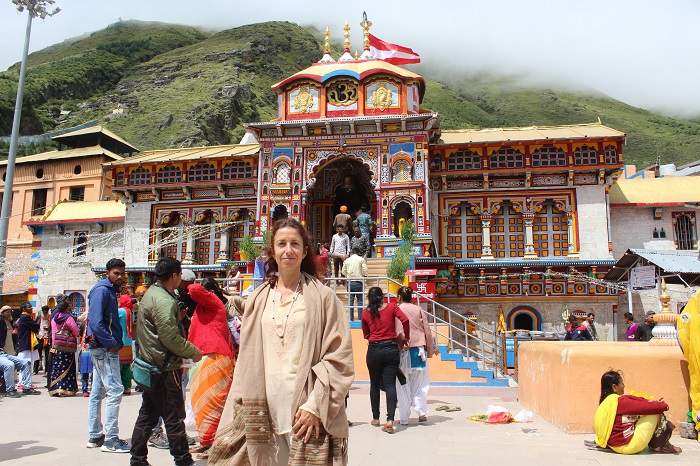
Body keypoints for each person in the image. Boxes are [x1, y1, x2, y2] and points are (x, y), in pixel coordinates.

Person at [208, 218, 354, 466]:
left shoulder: (324, 298)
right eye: (282, 244)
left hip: (305, 412)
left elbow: (339, 357)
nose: (288, 250)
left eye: (295, 244)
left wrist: (314, 406)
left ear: (305, 251)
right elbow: (247, 359)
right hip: (263, 411)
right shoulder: (259, 298)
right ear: (272, 251)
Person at [130, 257, 202, 466]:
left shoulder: (153, 293)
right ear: (174, 276)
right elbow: (169, 337)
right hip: (163, 367)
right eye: (180, 275)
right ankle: (183, 459)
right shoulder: (163, 300)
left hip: (150, 363)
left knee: (148, 415)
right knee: (173, 417)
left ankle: (138, 459)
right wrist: (193, 351)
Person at [187, 277, 235, 458]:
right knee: (201, 405)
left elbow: (193, 290)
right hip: (204, 357)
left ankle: (213, 444)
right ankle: (206, 442)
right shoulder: (203, 308)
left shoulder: (215, 303)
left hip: (215, 357)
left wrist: (188, 280)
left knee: (212, 405)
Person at [86, 258, 128, 453]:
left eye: (122, 273)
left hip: (103, 346)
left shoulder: (109, 290)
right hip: (104, 347)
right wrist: (111, 343)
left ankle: (95, 435)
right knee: (115, 390)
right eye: (116, 273)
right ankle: (111, 439)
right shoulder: (102, 290)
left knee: (97, 392)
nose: (119, 276)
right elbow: (96, 322)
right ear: (108, 273)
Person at [593, 370, 681, 454]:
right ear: (614, 387)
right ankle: (661, 445)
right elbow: (652, 407)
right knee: (655, 412)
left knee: (640, 414)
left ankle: (658, 444)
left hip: (613, 446)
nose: (624, 386)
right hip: (627, 446)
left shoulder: (605, 403)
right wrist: (663, 405)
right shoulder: (619, 401)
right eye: (622, 383)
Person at [361, 286, 410, 434]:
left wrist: (373, 336)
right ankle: (390, 420)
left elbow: (365, 334)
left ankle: (376, 418)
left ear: (369, 298)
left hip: (374, 350)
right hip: (391, 349)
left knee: (374, 384)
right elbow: (405, 320)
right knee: (390, 385)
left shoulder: (365, 313)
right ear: (382, 297)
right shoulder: (392, 307)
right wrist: (406, 337)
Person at [395, 287, 438, 425]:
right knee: (420, 384)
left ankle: (404, 418)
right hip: (418, 351)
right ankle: (421, 413)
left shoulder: (397, 310)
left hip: (403, 350)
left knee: (403, 386)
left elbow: (395, 331)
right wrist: (431, 349)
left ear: (399, 297)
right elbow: (427, 331)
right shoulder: (418, 309)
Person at [0, 305, 34, 397]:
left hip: (4, 351)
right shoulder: (1, 321)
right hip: (3, 350)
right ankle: (9, 390)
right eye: (6, 311)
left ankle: (27, 388)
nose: (9, 313)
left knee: (26, 363)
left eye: (9, 311)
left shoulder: (10, 321)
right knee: (9, 365)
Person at [48, 299, 79, 397]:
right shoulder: (69, 318)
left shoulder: (54, 318)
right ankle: (66, 388)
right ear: (66, 309)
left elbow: (53, 333)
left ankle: (55, 389)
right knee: (67, 368)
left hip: (56, 345)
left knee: (57, 367)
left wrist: (53, 345)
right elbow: (76, 332)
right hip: (67, 347)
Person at [15, 302, 40, 385]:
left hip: (26, 344)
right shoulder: (25, 317)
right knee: (26, 364)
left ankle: (25, 383)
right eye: (29, 307)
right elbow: (36, 327)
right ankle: (24, 384)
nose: (31, 308)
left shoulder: (24, 317)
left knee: (27, 365)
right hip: (26, 344)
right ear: (24, 309)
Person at [342, 244, 368, 321]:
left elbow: (343, 272)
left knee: (350, 302)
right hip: (359, 282)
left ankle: (351, 319)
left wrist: (348, 276)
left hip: (350, 283)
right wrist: (364, 276)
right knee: (360, 301)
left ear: (352, 252)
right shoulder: (361, 259)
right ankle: (360, 319)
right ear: (358, 252)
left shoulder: (347, 260)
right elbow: (365, 270)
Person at [118, 294, 134, 396]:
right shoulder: (130, 312)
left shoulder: (120, 311)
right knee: (127, 366)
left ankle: (119, 387)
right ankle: (127, 387)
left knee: (118, 366)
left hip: (120, 342)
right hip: (128, 342)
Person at [36, 305, 51, 374]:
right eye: (44, 311)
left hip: (47, 337)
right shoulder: (39, 316)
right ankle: (37, 368)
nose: (45, 312)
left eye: (46, 311)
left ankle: (46, 370)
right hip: (40, 337)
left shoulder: (50, 317)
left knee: (47, 354)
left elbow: (51, 326)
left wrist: (49, 329)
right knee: (39, 353)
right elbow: (35, 325)